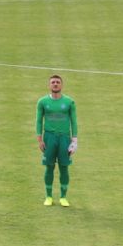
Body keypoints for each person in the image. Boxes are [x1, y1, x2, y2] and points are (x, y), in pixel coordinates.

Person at [36, 74, 77, 206]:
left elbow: (74, 121)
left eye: (57, 82)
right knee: (49, 166)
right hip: (49, 138)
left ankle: (63, 197)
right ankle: (48, 197)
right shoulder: (42, 102)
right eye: (53, 82)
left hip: (65, 138)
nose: (55, 84)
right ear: (49, 85)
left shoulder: (69, 102)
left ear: (61, 85)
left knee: (64, 167)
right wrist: (40, 139)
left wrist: (74, 141)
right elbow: (38, 121)